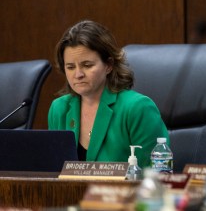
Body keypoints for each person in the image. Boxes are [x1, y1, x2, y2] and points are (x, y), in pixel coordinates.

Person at [48, 20, 169, 168]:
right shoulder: (59, 109)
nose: (78, 74)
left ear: (109, 65)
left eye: (87, 65)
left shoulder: (137, 108)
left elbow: (157, 172)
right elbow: (55, 173)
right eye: (70, 67)